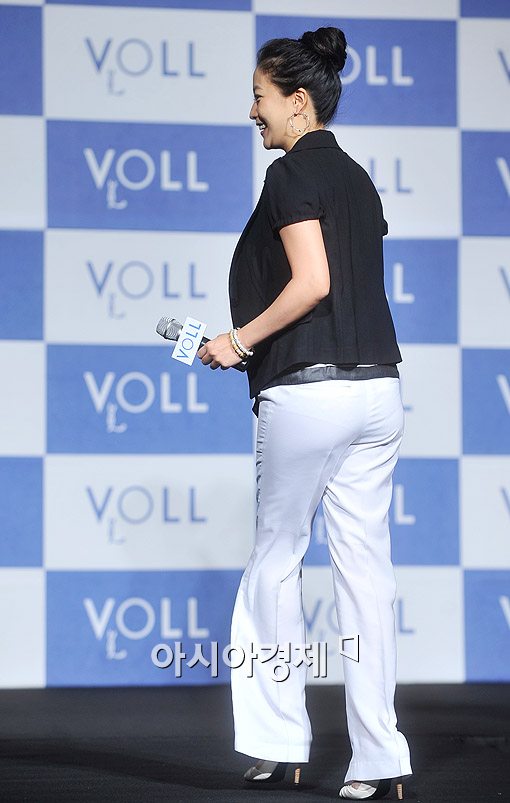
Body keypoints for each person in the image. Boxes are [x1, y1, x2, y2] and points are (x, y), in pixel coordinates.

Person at [197, 25, 412, 801]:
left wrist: (238, 339)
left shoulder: (290, 174)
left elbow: (313, 280)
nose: (251, 110)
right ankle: (379, 758)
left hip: (308, 392)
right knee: (366, 573)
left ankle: (280, 741)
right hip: (378, 391)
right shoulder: (358, 179)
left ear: (297, 101)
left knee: (275, 560)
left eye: (259, 96)